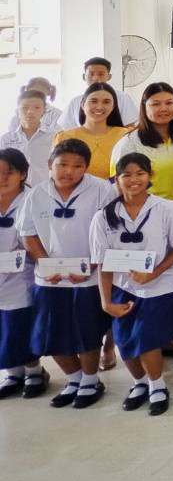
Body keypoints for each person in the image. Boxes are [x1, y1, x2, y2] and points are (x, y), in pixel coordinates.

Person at [91, 153, 173, 416]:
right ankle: (140, 383)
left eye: (140, 173)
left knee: (147, 338)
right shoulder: (103, 217)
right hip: (123, 287)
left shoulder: (168, 209)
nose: (134, 180)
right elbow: (102, 262)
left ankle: (158, 386)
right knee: (125, 341)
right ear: (116, 179)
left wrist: (154, 273)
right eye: (126, 175)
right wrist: (106, 301)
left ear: (150, 176)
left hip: (160, 285)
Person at [19, 140, 113, 405]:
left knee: (88, 332)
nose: (68, 171)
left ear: (86, 168)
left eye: (77, 166)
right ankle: (74, 378)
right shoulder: (36, 194)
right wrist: (45, 264)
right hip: (49, 280)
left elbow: (110, 232)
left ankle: (91, 381)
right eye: (62, 165)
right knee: (50, 334)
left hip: (88, 279)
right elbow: (28, 234)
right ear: (50, 164)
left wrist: (90, 266)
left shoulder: (102, 190)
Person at [0, 150, 39, 401]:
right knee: (3, 328)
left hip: (23, 275)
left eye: (9, 172)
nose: (2, 178)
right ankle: (12, 373)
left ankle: (34, 371)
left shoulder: (32, 201)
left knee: (21, 325)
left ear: (23, 174)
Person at [53, 83, 130, 180]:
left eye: (106, 102)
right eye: (93, 101)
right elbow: (57, 176)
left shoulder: (126, 136)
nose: (99, 107)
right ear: (82, 104)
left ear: (113, 106)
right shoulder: (64, 138)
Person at [0, 90, 56, 186]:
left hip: (43, 189)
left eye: (37, 107)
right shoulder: (5, 139)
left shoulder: (53, 138)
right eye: (25, 108)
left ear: (44, 111)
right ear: (17, 111)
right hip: (14, 190)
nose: (30, 111)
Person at [62, 59, 139, 126]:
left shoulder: (123, 97)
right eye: (91, 74)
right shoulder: (75, 101)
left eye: (101, 74)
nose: (96, 78)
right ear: (84, 76)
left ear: (109, 76)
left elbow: (130, 126)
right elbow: (67, 129)